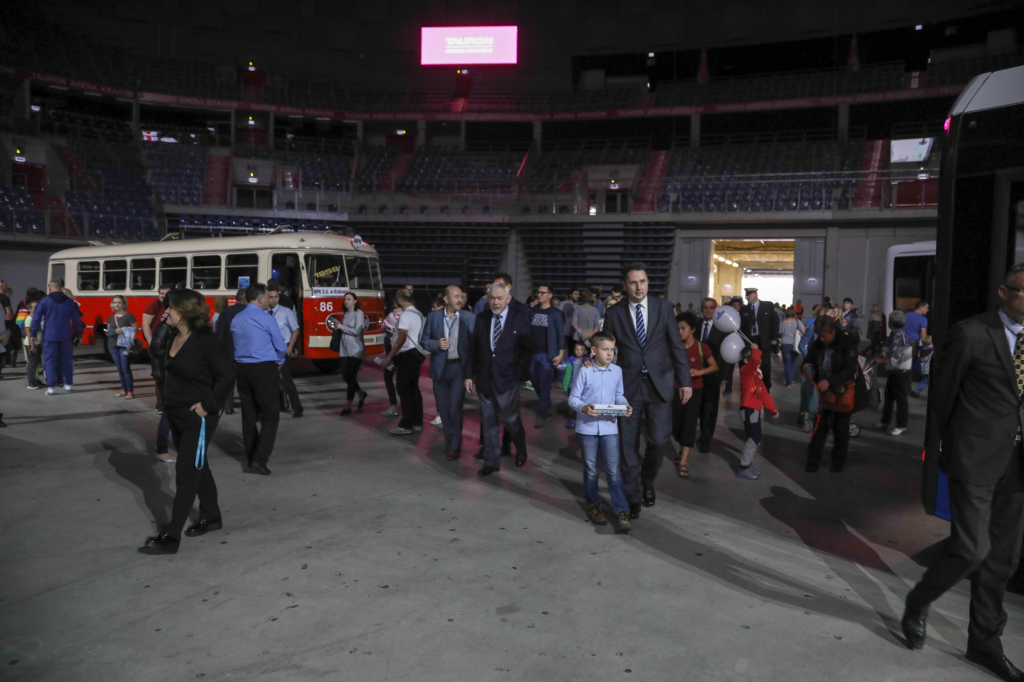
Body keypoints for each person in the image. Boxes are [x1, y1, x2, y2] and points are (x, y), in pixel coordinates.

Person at [901, 264, 1024, 682]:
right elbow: (942, 399)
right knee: (972, 550)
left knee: (1003, 558)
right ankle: (918, 601)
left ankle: (984, 644)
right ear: (1004, 292)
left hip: (1019, 465)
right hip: (974, 459)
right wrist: (942, 455)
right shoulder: (971, 334)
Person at [140, 289, 235, 555]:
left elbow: (227, 376)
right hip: (176, 413)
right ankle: (212, 516)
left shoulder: (207, 340)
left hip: (199, 417)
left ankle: (171, 536)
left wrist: (207, 405)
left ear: (185, 311)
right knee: (198, 464)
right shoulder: (172, 334)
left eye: (170, 308)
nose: (165, 312)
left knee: (186, 472)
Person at [602, 262, 692, 518]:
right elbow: (606, 347)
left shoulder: (664, 308)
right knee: (627, 446)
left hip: (659, 384)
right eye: (633, 282)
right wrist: (595, 362)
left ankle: (648, 481)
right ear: (625, 286)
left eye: (642, 281)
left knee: (660, 441)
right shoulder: (615, 313)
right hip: (627, 387)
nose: (638, 287)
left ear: (648, 283)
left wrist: (685, 380)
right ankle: (632, 497)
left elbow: (676, 345)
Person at [567, 330, 633, 532]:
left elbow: (619, 395)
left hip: (609, 428)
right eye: (605, 349)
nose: (610, 353)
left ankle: (621, 510)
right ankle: (593, 505)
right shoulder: (584, 371)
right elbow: (573, 398)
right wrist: (584, 408)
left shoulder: (617, 371)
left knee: (613, 471)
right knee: (591, 469)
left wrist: (625, 404)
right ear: (593, 351)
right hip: (587, 428)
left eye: (612, 350)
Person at [466, 281, 534, 475]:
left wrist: (518, 373)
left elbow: (527, 349)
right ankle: (491, 462)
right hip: (485, 380)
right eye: (492, 298)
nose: (495, 302)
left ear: (508, 298)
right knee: (488, 423)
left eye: (499, 298)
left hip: (508, 379)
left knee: (511, 420)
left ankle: (520, 449)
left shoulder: (520, 318)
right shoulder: (481, 319)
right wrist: (469, 375)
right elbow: (474, 351)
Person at [231, 283, 287, 475]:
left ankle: (251, 457)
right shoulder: (266, 318)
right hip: (264, 369)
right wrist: (279, 361)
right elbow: (280, 345)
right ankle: (260, 459)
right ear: (260, 299)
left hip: (242, 369)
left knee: (248, 415)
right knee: (271, 415)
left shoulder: (237, 319)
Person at [421, 285, 475, 459]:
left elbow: (475, 347)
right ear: (446, 299)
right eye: (456, 296)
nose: (460, 299)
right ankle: (450, 440)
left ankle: (455, 445)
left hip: (459, 368)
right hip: (440, 369)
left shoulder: (469, 317)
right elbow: (424, 341)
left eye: (461, 296)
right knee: (443, 410)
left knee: (454, 407)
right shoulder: (433, 317)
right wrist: (436, 344)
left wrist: (470, 374)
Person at [801, 317, 857, 473]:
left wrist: (830, 381)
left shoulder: (846, 342)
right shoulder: (819, 343)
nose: (821, 338)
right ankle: (813, 461)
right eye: (819, 335)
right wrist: (805, 365)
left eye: (824, 335)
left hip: (841, 391)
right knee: (820, 428)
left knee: (841, 429)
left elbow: (849, 369)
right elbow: (809, 357)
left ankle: (838, 462)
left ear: (832, 331)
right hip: (822, 393)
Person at [673, 311, 716, 477]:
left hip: (695, 390)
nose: (680, 332)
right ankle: (681, 446)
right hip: (676, 389)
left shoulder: (701, 347)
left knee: (689, 424)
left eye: (683, 328)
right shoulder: (674, 347)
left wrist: (700, 372)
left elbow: (714, 366)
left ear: (692, 329)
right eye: (678, 329)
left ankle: (683, 461)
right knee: (675, 425)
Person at [380, 289, 427, 436]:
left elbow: (401, 337)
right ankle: (417, 422)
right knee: (414, 389)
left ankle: (406, 424)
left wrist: (389, 356)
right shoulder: (418, 314)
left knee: (403, 389)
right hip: (416, 355)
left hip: (407, 355)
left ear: (399, 300)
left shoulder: (406, 315)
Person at [30, 280, 83, 395]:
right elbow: (76, 320)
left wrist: (33, 334)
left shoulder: (45, 301)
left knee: (49, 362)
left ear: (50, 288)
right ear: (61, 287)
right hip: (66, 336)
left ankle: (51, 387)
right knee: (67, 361)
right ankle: (68, 384)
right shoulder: (70, 302)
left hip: (49, 336)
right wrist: (79, 334)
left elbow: (36, 318)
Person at [736, 345, 779, 480]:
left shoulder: (756, 375)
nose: (758, 361)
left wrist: (772, 408)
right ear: (746, 361)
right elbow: (754, 361)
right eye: (756, 358)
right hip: (748, 409)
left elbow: (764, 393)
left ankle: (747, 465)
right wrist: (756, 349)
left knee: (755, 437)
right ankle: (743, 467)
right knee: (754, 438)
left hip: (754, 410)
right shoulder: (745, 371)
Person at [528, 283, 565, 427]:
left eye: (543, 292)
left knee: (544, 385)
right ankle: (546, 403)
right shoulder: (532, 312)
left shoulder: (556, 314)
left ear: (550, 295)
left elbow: (559, 335)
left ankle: (541, 413)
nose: (540, 295)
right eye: (538, 292)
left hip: (546, 354)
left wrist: (560, 353)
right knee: (534, 381)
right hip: (533, 353)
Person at [874, 309, 912, 437]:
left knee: (901, 399)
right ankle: (885, 421)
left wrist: (879, 359)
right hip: (896, 370)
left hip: (901, 372)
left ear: (891, 323)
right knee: (889, 396)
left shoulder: (897, 335)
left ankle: (901, 425)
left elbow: (893, 352)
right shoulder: (896, 333)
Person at [696, 297, 728, 451]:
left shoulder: (722, 329)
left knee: (709, 410)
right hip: (694, 375)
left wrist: (725, 377)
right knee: (695, 409)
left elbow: (726, 354)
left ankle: (705, 441)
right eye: (705, 307)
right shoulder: (694, 327)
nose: (708, 310)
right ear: (701, 309)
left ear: (716, 309)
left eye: (711, 307)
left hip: (713, 376)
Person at [268, 288, 304, 418]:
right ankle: (279, 405)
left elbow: (295, 330)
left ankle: (297, 407)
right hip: (268, 351)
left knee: (286, 379)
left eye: (276, 297)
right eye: (271, 297)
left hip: (283, 349)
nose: (274, 299)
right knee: (271, 380)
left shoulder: (285, 312)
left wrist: (289, 349)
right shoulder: (264, 312)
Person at [148, 294, 176, 463]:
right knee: (168, 411)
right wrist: (174, 358)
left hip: (170, 373)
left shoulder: (173, 324)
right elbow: (156, 348)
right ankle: (162, 449)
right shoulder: (165, 326)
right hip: (165, 375)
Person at [740, 287, 780, 391]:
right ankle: (752, 388)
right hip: (750, 340)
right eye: (746, 295)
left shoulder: (767, 306)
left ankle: (766, 387)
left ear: (756, 294)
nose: (747, 297)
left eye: (749, 295)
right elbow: (742, 326)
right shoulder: (744, 309)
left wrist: (775, 337)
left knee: (765, 364)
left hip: (765, 340)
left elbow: (775, 322)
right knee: (751, 364)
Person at [337, 292, 370, 416]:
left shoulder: (359, 313)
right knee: (346, 376)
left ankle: (347, 406)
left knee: (351, 378)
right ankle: (361, 393)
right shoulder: (345, 314)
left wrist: (342, 327)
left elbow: (357, 331)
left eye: (349, 299)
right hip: (345, 349)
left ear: (355, 301)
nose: (346, 301)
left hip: (356, 349)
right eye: (345, 299)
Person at [215, 289, 248, 414]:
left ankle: (228, 406)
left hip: (228, 352)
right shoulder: (247, 312)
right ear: (245, 299)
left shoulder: (225, 313)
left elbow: (218, 332)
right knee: (244, 382)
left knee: (229, 381)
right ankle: (246, 405)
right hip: (245, 352)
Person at [143, 285, 172, 409]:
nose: (163, 295)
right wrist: (151, 344)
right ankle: (160, 404)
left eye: (166, 293)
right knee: (159, 376)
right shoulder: (153, 305)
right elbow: (145, 325)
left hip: (170, 345)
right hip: (158, 346)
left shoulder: (172, 306)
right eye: (161, 293)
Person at [106, 295, 138, 399]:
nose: (117, 304)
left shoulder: (129, 316)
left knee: (125, 368)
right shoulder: (111, 317)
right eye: (115, 302)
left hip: (124, 345)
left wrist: (123, 330)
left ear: (124, 304)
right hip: (112, 344)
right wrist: (110, 332)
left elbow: (136, 329)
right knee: (119, 368)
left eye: (119, 302)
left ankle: (130, 391)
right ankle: (124, 390)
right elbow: (109, 330)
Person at [380, 299, 402, 417]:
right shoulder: (410, 315)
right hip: (405, 350)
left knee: (388, 376)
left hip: (391, 350)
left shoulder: (391, 315)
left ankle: (393, 406)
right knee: (402, 378)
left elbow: (383, 326)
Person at [561, 339, 589, 429]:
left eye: (581, 349)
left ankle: (580, 420)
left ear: (585, 351)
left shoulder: (587, 361)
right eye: (576, 349)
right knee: (572, 404)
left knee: (582, 403)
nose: (578, 351)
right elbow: (564, 367)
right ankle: (571, 419)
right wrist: (557, 365)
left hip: (582, 387)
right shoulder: (571, 359)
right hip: (571, 386)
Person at [780, 308, 806, 388]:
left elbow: (779, 332)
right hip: (795, 344)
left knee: (787, 363)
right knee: (793, 362)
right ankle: (791, 379)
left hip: (785, 344)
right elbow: (803, 331)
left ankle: (788, 382)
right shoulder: (798, 322)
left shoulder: (782, 322)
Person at [23, 300, 43, 389]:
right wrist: (32, 344)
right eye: (35, 307)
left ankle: (36, 380)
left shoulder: (37, 317)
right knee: (32, 363)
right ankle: (31, 382)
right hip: (31, 343)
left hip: (37, 343)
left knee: (37, 362)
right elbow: (28, 333)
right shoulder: (29, 318)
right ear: (29, 309)